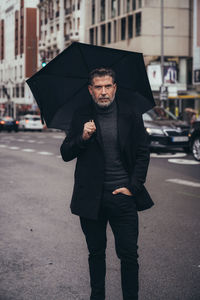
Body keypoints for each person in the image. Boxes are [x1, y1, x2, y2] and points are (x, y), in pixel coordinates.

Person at [60, 68, 154, 300]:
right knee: (96, 253)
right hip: (92, 199)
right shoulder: (81, 115)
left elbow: (143, 152)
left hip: (123, 196)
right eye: (98, 87)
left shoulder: (131, 114)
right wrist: (82, 137)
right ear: (90, 90)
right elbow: (65, 153)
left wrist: (133, 187)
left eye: (108, 86)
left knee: (129, 255)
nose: (104, 92)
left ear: (115, 87)